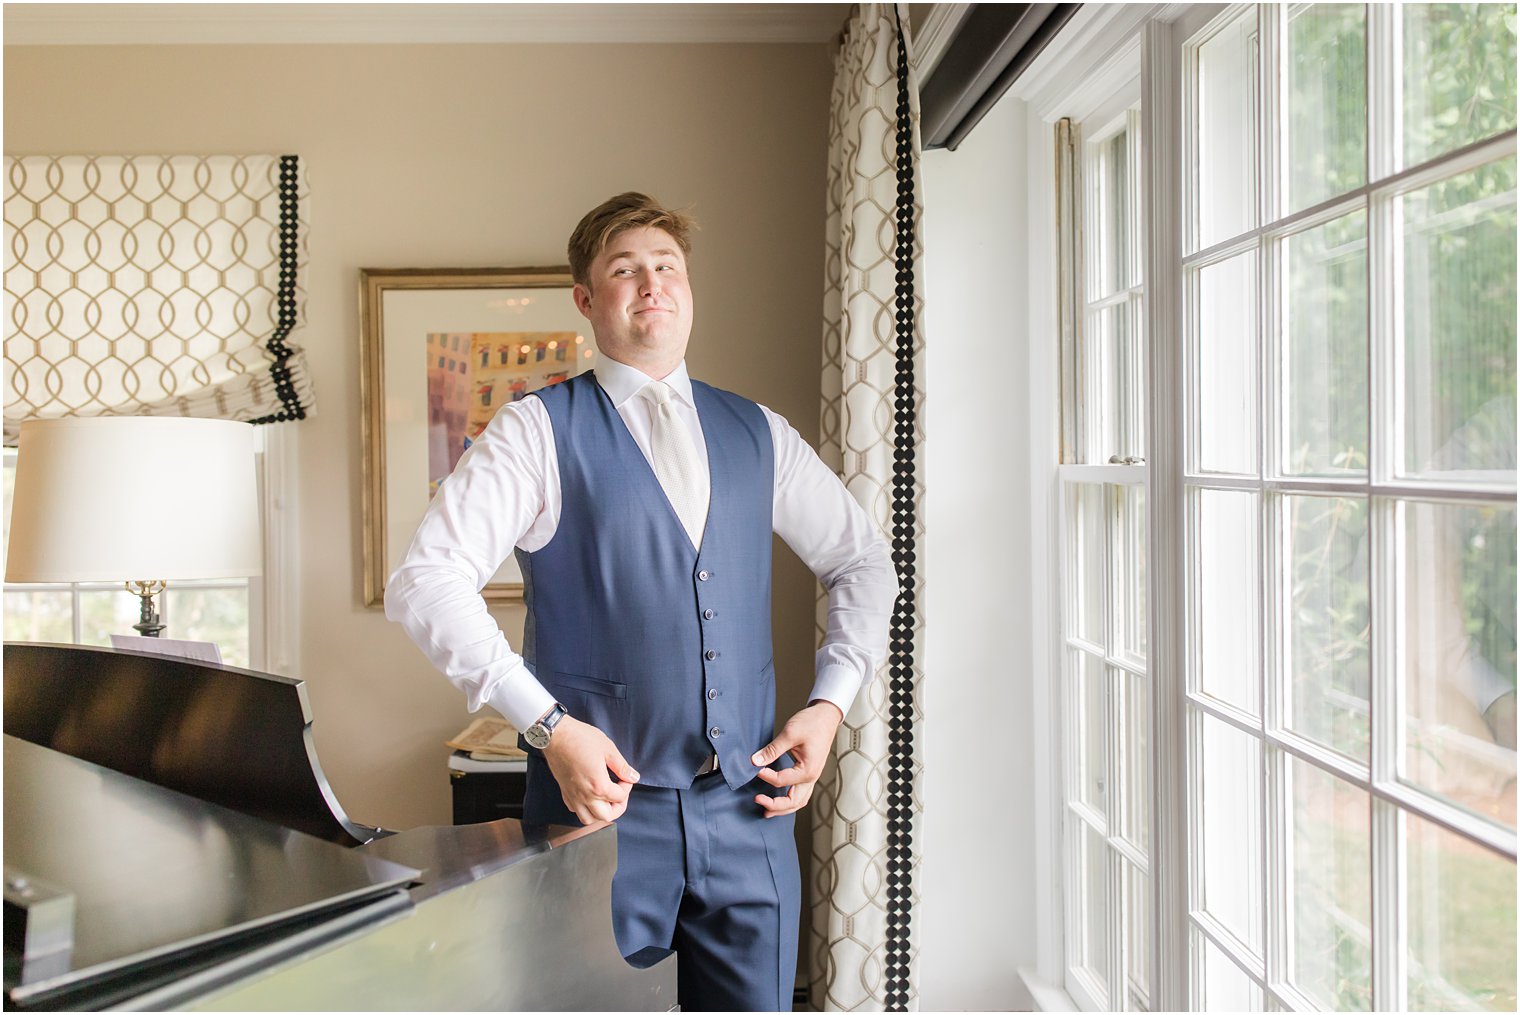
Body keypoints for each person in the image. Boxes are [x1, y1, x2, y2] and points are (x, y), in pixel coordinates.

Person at [386, 192, 896, 1011]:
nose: (651, 284)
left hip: (750, 813)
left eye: (668, 269)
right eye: (625, 270)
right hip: (599, 824)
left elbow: (866, 561)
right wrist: (547, 726)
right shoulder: (536, 431)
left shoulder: (758, 432)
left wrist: (831, 705)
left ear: (688, 291)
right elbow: (424, 581)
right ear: (588, 301)